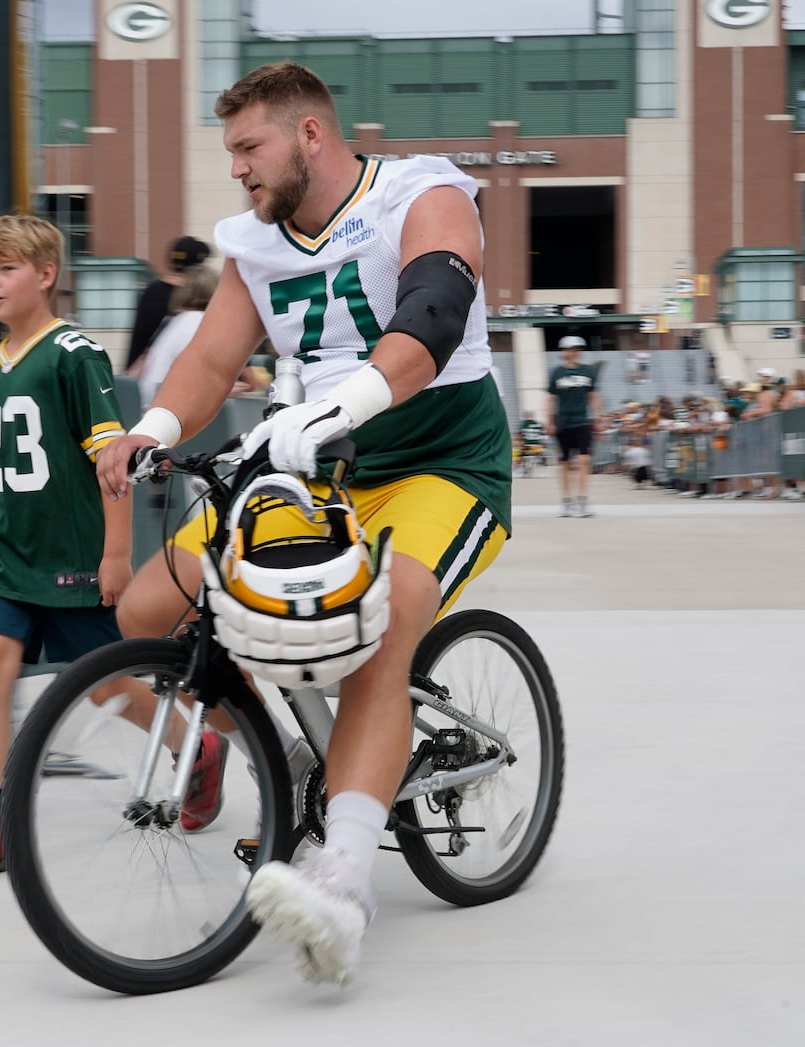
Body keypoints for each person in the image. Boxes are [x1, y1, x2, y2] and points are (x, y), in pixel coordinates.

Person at [97, 62, 510, 987]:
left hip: (440, 462)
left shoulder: (422, 192)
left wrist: (343, 405)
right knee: (152, 609)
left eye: (250, 147)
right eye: (231, 150)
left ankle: (346, 883)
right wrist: (154, 429)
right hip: (318, 472)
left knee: (382, 627)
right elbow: (209, 361)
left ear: (309, 136)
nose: (238, 168)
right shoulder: (255, 242)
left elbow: (436, 312)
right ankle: (290, 759)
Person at [0, 215, 138, 883]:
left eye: (6, 269)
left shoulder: (75, 354)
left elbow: (113, 459)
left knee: (109, 685)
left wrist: (116, 552)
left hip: (72, 553)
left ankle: (193, 749)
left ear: (46, 275)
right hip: (3, 550)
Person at [125, 235, 211, 376]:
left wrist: (130, 368)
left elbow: (139, 336)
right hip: (183, 375)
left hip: (146, 372)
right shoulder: (200, 295)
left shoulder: (153, 290)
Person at [138, 265, 219, 410]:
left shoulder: (175, 322)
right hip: (170, 413)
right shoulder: (199, 324)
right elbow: (197, 381)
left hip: (152, 409)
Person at [547, 336, 603, 517]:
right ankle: (566, 502)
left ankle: (583, 500)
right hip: (563, 422)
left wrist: (599, 417)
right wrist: (549, 421)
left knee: (583, 461)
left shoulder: (588, 372)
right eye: (570, 349)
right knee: (564, 463)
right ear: (563, 352)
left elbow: (593, 396)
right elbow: (550, 398)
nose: (573, 352)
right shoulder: (556, 373)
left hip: (582, 421)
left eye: (577, 349)